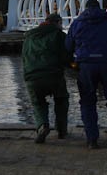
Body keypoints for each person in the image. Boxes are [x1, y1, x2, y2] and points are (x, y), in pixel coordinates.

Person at [66, 0, 107, 149]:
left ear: (85, 8)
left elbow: (68, 46)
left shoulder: (77, 23)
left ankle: (92, 140)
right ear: (100, 7)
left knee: (87, 101)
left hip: (86, 65)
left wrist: (74, 59)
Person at [21, 13, 71, 144]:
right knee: (61, 99)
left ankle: (42, 126)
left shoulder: (29, 37)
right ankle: (61, 131)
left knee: (38, 103)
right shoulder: (59, 35)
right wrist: (74, 65)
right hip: (53, 75)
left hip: (32, 76)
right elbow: (66, 57)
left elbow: (24, 58)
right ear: (58, 22)